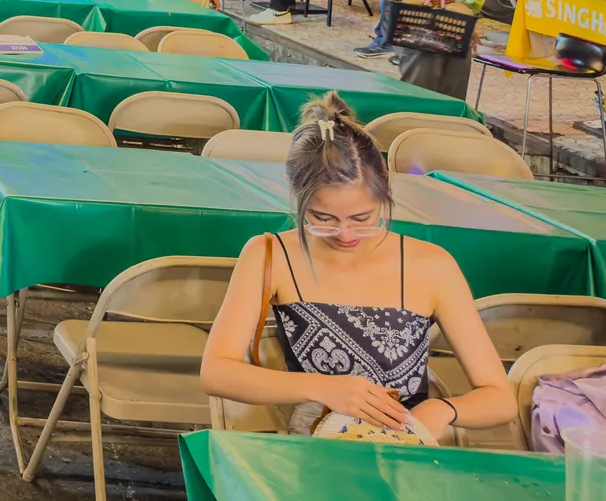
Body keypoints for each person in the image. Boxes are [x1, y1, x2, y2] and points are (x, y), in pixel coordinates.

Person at [201, 93, 514, 440]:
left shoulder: (432, 266)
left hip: (405, 448)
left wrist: (444, 409)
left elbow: (500, 399)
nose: (345, 233)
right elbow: (217, 372)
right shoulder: (270, 254)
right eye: (323, 218)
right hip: (314, 449)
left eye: (362, 218)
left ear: (386, 194)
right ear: (296, 195)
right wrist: (324, 388)